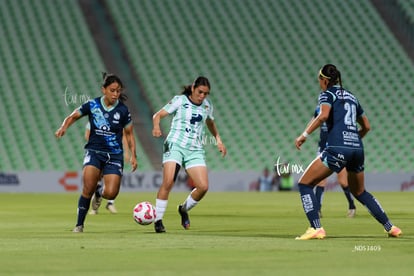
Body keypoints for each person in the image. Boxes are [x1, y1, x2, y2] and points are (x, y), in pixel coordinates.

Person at [294, 64, 402, 240]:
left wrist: (303, 135)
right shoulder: (352, 97)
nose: (319, 83)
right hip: (357, 148)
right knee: (360, 191)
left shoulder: (327, 94)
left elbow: (323, 116)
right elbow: (366, 126)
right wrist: (353, 140)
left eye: (320, 80)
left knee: (305, 184)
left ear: (325, 80)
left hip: (337, 147)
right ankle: (391, 227)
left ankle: (316, 228)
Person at [55, 73, 138, 232]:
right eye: (112, 90)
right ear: (104, 89)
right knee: (87, 188)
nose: (115, 94)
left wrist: (133, 155)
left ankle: (99, 193)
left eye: (118, 91)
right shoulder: (92, 105)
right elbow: (73, 116)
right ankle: (79, 224)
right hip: (94, 152)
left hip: (114, 155)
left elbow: (129, 134)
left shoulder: (123, 110)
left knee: (111, 193)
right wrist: (63, 127)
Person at [152, 76, 227, 233]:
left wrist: (218, 140)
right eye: (200, 92)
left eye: (206, 94)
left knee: (203, 187)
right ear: (193, 88)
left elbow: (210, 123)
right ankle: (158, 220)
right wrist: (157, 127)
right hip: (175, 145)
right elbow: (157, 115)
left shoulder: (207, 106)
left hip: (194, 149)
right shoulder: (180, 100)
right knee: (168, 182)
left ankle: (183, 209)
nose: (202, 96)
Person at [312, 105, 356, 218]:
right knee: (320, 180)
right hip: (323, 149)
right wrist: (305, 134)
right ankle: (317, 210)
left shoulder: (338, 109)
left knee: (343, 182)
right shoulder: (319, 109)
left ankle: (352, 206)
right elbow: (314, 121)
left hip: (337, 148)